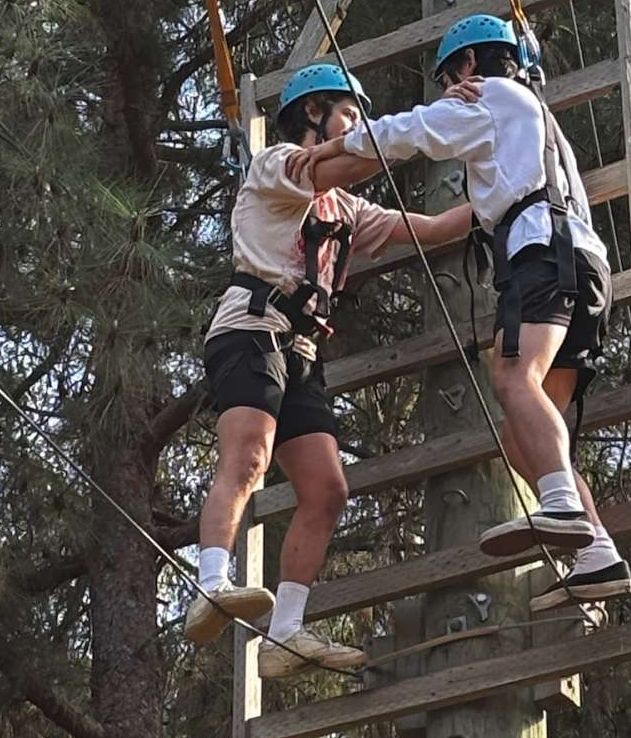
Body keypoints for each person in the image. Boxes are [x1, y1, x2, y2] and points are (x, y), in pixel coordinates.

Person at [287, 16, 631, 609]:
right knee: (525, 429)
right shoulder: (535, 122)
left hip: (541, 256)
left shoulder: (492, 97)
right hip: (580, 263)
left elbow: (414, 132)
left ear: (471, 65)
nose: (450, 87)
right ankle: (597, 551)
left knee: (512, 378)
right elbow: (477, 204)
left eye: (450, 75)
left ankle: (563, 505)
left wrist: (338, 150)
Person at [186, 63, 475, 677]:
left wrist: (510, 195)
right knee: (249, 457)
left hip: (302, 352)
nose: (359, 125)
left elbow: (428, 229)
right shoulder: (278, 165)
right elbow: (342, 163)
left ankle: (284, 635)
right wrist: (427, 122)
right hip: (250, 328)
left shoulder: (347, 209)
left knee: (326, 489)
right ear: (313, 113)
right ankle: (211, 581)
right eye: (349, 113)